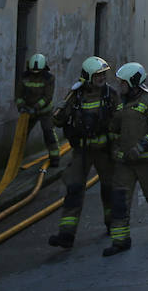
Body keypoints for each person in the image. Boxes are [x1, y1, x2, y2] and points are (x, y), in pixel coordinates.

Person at [47, 56, 120, 251]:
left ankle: (112, 224)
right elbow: (58, 121)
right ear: (87, 77)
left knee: (109, 188)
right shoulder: (76, 96)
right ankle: (67, 234)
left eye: (103, 74)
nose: (102, 78)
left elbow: (119, 120)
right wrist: (62, 107)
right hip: (82, 151)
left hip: (105, 151)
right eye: (97, 75)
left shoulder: (111, 95)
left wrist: (118, 146)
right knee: (74, 188)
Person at [102, 62, 148, 256]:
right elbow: (114, 129)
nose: (120, 86)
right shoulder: (120, 102)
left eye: (123, 83)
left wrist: (141, 147)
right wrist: (115, 148)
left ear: (134, 83)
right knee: (119, 199)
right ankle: (120, 240)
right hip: (125, 162)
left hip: (147, 160)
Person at [14, 53, 61, 168]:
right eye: (33, 72)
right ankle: (14, 161)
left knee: (49, 133)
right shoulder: (24, 77)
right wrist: (21, 106)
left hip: (45, 112)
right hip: (28, 111)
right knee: (22, 135)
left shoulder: (49, 78)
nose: (35, 75)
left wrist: (34, 108)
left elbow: (47, 97)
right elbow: (18, 95)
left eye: (38, 72)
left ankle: (55, 158)